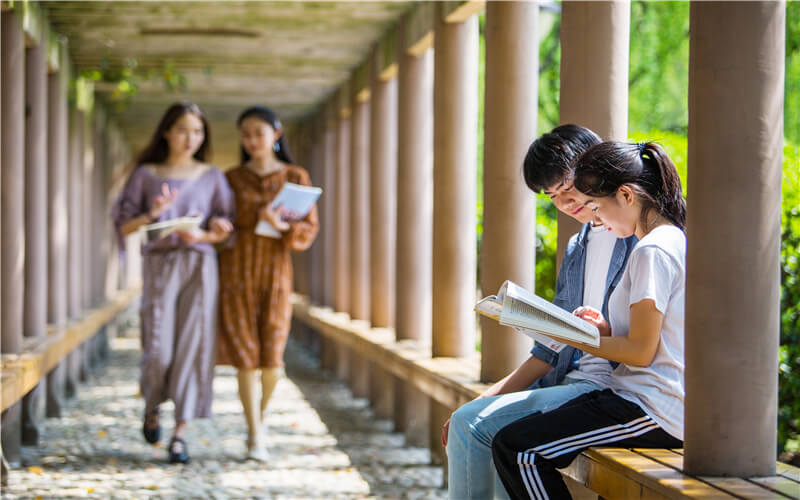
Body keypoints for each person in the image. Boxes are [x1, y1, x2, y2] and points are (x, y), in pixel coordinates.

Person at [444, 125, 637, 499]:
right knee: (475, 422)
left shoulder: (635, 237)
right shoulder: (578, 246)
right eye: (553, 196)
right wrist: (485, 398)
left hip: (610, 390)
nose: (565, 203)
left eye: (568, 188)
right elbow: (551, 348)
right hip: (570, 383)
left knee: (479, 430)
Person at [491, 141, 687, 500]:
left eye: (598, 207)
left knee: (519, 449)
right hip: (635, 397)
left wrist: (570, 334)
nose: (596, 219)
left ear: (626, 195)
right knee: (516, 437)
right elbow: (652, 338)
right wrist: (603, 330)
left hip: (652, 407)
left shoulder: (652, 250)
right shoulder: (664, 241)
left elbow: (641, 353)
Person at [112, 102, 235, 464]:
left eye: (197, 131)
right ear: (166, 131)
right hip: (160, 264)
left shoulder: (213, 176)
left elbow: (224, 228)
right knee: (158, 344)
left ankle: (181, 433)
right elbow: (124, 225)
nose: (190, 138)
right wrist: (153, 213)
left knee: (192, 344)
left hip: (200, 264)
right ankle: (152, 406)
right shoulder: (146, 174)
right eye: (182, 129)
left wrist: (210, 234)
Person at [216, 106, 319, 461]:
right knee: (246, 355)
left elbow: (309, 228)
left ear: (276, 134)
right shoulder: (230, 178)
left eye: (258, 132)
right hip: (237, 273)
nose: (251, 140)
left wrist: (281, 225)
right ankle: (254, 433)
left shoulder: (295, 176)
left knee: (273, 357)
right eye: (245, 134)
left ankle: (259, 418)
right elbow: (219, 221)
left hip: (276, 274)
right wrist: (241, 221)